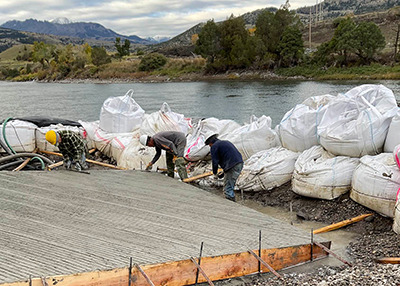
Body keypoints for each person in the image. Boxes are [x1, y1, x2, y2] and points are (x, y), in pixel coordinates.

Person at [205, 134, 243, 202]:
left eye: (209, 145)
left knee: (227, 188)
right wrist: (223, 173)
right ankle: (232, 201)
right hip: (239, 163)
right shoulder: (226, 142)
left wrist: (215, 172)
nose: (209, 146)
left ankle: (231, 204)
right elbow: (228, 157)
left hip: (232, 165)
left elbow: (215, 161)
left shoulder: (214, 146)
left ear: (211, 143)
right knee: (230, 184)